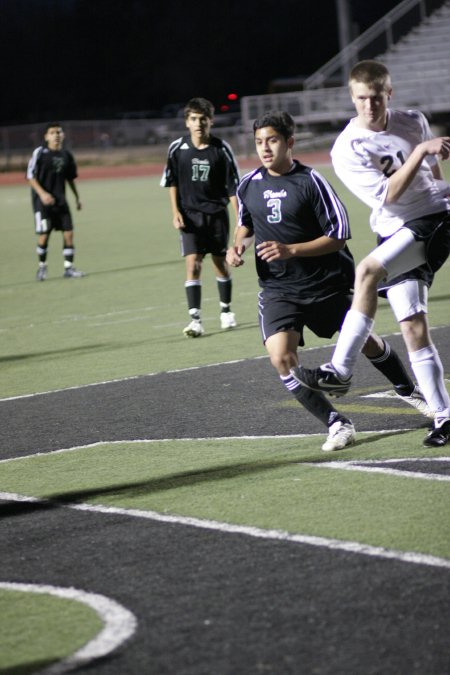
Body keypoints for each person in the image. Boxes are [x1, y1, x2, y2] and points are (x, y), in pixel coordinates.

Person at [227, 110, 432, 451]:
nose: (265, 148)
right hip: (279, 289)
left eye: (272, 140)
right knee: (281, 358)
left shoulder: (311, 182)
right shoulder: (248, 183)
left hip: (326, 284)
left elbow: (338, 235)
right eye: (259, 142)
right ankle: (337, 423)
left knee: (366, 341)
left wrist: (291, 249)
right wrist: (237, 247)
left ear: (289, 143)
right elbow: (245, 223)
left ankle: (408, 391)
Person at [293, 60, 450, 447]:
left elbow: (433, 175)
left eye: (376, 97)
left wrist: (442, 195)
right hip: (396, 232)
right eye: (361, 99)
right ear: (352, 97)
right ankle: (445, 417)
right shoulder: (346, 148)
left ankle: (340, 369)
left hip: (433, 221)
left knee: (365, 271)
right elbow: (387, 195)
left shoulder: (412, 120)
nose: (369, 106)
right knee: (412, 327)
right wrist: (421, 153)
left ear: (388, 94)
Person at [161, 97, 240, 337]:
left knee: (219, 264)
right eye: (193, 119)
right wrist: (175, 212)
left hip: (216, 215)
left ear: (211, 121)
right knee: (193, 264)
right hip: (189, 217)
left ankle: (226, 311)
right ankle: (195, 320)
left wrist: (240, 220)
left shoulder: (221, 149)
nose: (198, 124)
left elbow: (233, 188)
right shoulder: (178, 148)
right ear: (187, 122)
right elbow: (171, 182)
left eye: (203, 119)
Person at [27, 122, 85, 280]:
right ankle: (42, 267)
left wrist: (77, 197)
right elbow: (30, 176)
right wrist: (43, 194)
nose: (57, 135)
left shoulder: (66, 155)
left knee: (69, 233)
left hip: (61, 201)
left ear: (63, 135)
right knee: (44, 235)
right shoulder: (40, 153)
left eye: (59, 132)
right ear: (46, 136)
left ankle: (69, 268)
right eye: (52, 132)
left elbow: (70, 179)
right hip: (42, 203)